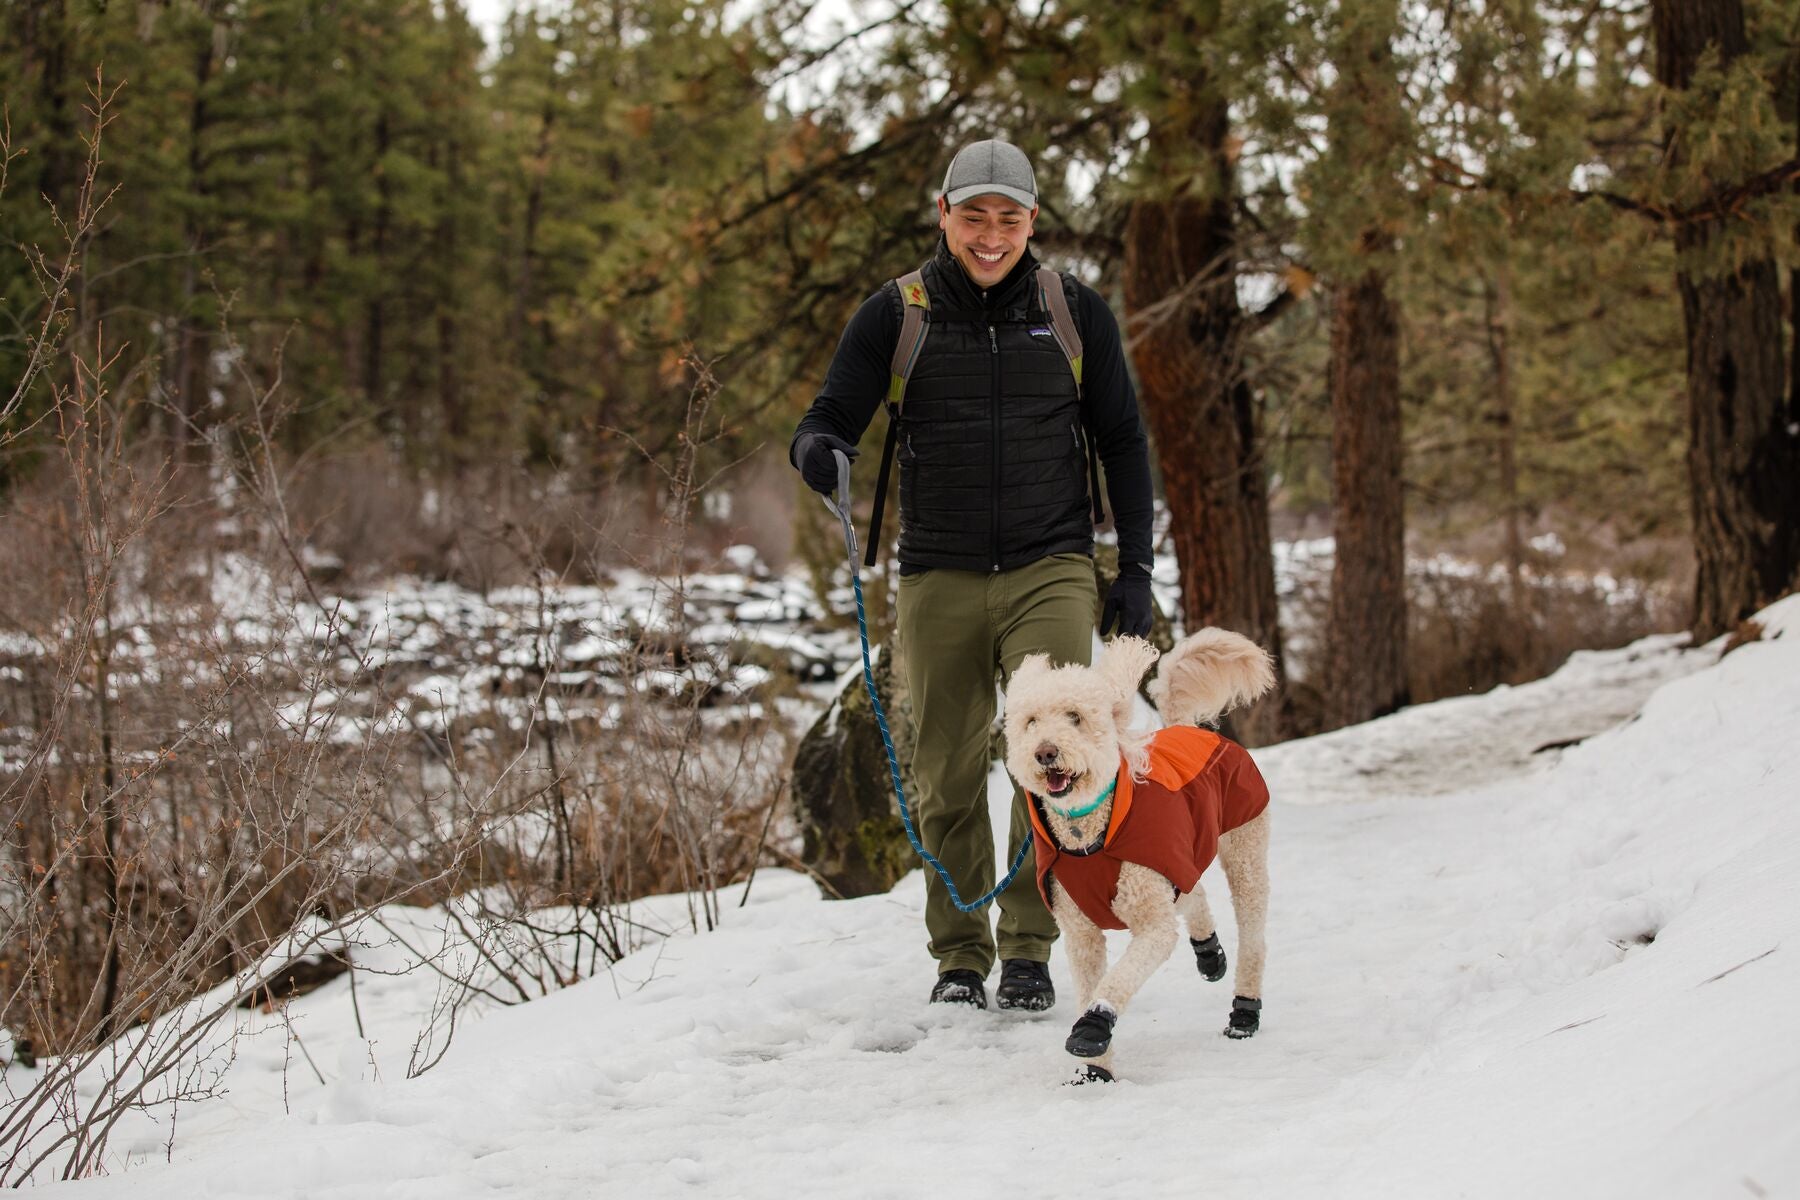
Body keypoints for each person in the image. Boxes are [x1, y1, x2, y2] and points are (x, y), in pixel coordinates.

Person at [789, 139, 1155, 1011]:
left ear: (1032, 222)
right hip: (938, 573)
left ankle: (1030, 948)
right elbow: (829, 415)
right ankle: (959, 957)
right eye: (974, 217)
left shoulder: (1072, 311)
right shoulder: (897, 314)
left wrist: (1135, 568)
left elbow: (1123, 440)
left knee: (1055, 758)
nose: (991, 236)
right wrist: (818, 449)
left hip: (1051, 564)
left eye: (1009, 219)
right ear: (944, 215)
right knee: (946, 770)